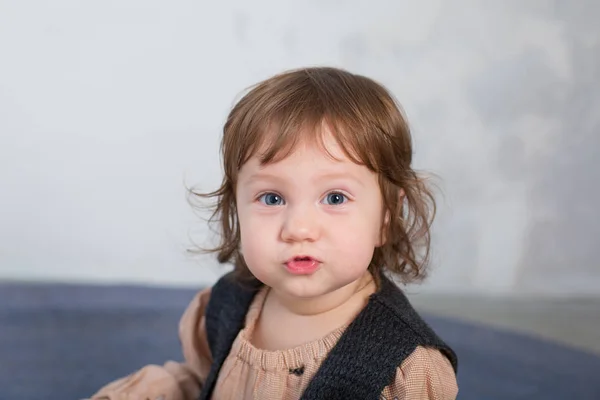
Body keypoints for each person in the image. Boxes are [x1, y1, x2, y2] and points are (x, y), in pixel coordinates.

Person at [90, 67, 458, 400]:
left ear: (385, 219)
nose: (298, 228)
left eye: (334, 197)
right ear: (236, 207)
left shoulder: (402, 367)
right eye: (272, 197)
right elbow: (207, 381)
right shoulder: (228, 305)